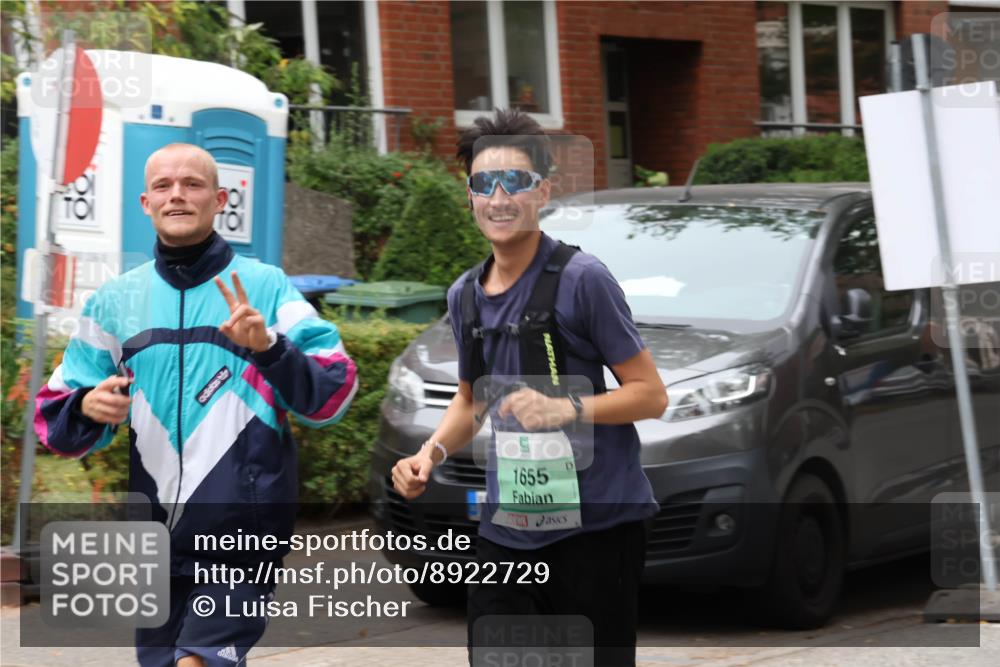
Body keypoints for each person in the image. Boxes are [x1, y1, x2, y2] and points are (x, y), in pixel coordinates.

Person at [34, 143, 358, 667]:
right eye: (163, 186)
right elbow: (52, 419)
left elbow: (334, 391)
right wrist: (84, 408)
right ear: (146, 202)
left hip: (242, 529)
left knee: (199, 661)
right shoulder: (114, 302)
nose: (177, 195)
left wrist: (270, 349)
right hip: (154, 536)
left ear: (219, 199)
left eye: (193, 184)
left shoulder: (265, 287)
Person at [391, 109, 668, 666]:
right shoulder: (464, 294)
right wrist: (429, 454)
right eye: (483, 183)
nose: (499, 197)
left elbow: (649, 394)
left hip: (596, 531)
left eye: (515, 182)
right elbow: (472, 399)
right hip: (508, 531)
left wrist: (566, 408)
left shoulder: (582, 280)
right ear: (469, 195)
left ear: (542, 191)